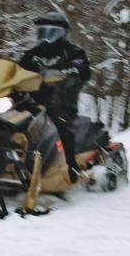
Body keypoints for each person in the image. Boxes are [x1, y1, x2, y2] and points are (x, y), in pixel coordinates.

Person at [19, 8, 90, 157]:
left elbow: (82, 69)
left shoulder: (73, 52)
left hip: (61, 105)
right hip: (30, 104)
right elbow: (16, 72)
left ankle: (71, 165)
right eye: (43, 32)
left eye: (51, 32)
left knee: (61, 126)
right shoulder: (32, 55)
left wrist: (71, 72)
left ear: (62, 33)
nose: (46, 37)